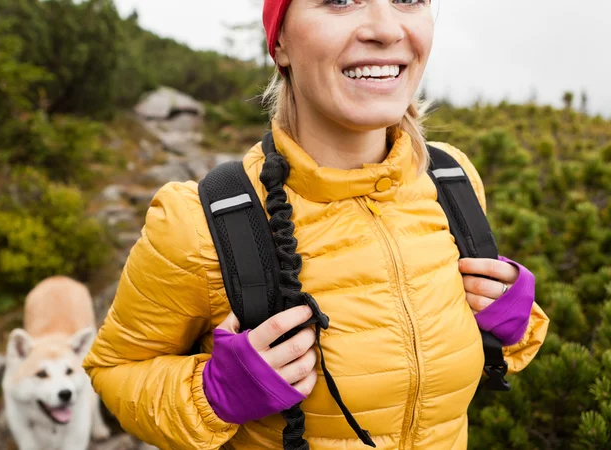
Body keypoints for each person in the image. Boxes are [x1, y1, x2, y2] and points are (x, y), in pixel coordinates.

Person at [83, 0, 549, 448]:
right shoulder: (199, 223)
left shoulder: (453, 180)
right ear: (280, 41)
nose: (386, 29)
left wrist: (510, 326)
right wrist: (212, 396)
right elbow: (115, 370)